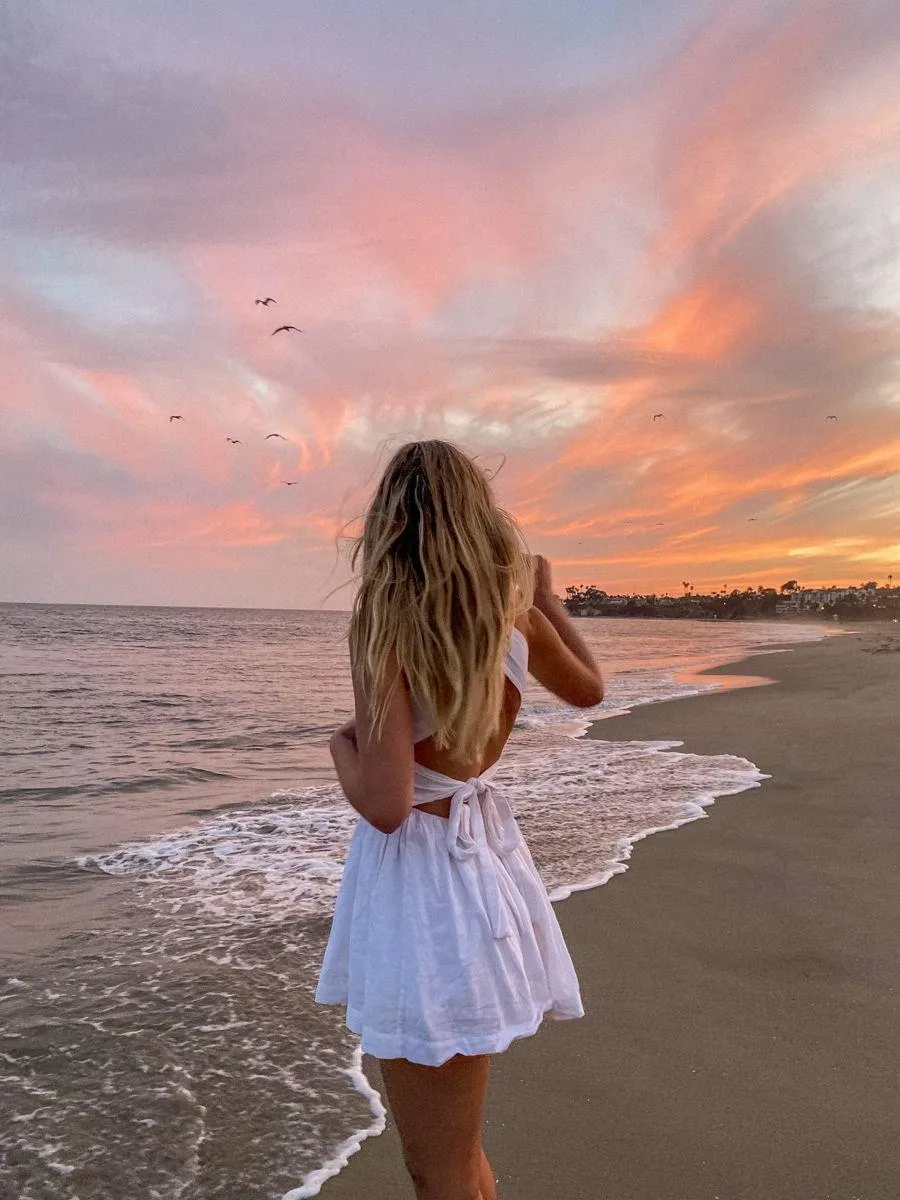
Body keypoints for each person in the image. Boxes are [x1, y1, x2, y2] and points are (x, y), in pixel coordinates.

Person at [316, 439, 604, 1200]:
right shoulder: (511, 622)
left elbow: (384, 805)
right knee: (454, 1159)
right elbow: (590, 690)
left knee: (438, 1167)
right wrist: (545, 598)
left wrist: (338, 746)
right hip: (481, 871)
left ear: (390, 525)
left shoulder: (388, 628)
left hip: (423, 886)